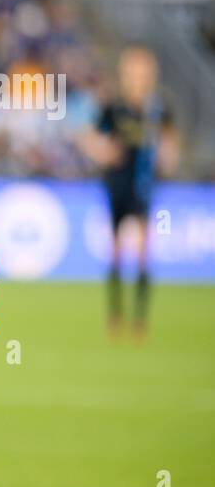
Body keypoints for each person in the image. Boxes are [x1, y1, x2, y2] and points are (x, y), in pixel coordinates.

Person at [93, 45, 174, 337]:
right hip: (117, 182)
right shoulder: (115, 107)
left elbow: (170, 141)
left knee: (142, 251)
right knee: (115, 251)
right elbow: (94, 137)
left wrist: (167, 156)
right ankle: (115, 316)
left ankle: (139, 321)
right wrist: (104, 153)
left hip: (143, 183)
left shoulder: (158, 108)